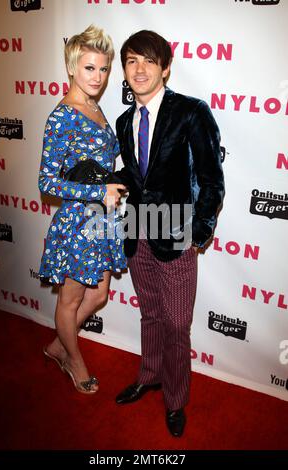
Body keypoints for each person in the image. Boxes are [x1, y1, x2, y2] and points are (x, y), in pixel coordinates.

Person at [114, 30, 225, 436]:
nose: (140, 69)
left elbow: (212, 179)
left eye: (148, 60)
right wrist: (109, 180)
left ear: (165, 67)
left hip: (176, 234)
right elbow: (139, 175)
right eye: (131, 61)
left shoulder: (191, 112)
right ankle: (150, 375)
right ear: (124, 70)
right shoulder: (125, 120)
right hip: (137, 233)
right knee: (151, 314)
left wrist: (198, 233)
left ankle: (176, 399)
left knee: (177, 325)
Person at [38, 25, 126, 394]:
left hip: (102, 218)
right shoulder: (63, 116)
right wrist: (96, 189)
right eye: (90, 68)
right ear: (73, 67)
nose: (98, 77)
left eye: (104, 69)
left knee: (100, 295)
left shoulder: (94, 106)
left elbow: (101, 158)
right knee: (71, 299)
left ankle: (60, 343)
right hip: (79, 222)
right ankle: (73, 361)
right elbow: (46, 182)